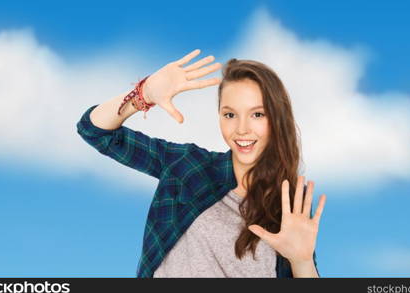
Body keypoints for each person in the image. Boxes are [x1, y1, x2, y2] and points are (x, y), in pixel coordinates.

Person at [76, 49, 327, 278]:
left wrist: (303, 261)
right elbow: (94, 131)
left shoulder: (289, 205)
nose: (241, 129)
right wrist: (144, 93)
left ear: (277, 118)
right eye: (230, 114)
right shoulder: (188, 166)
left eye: (257, 114)